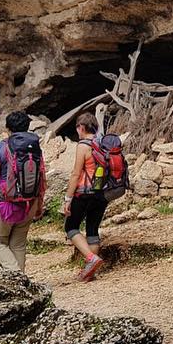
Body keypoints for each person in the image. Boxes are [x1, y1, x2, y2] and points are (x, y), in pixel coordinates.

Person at [0, 111, 43, 271]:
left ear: (8, 128)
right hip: (30, 202)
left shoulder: (1, 147)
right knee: (18, 243)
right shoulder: (35, 148)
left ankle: (15, 274)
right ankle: (20, 281)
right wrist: (39, 204)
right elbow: (42, 177)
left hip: (4, 203)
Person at [62, 112, 108, 282]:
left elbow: (76, 174)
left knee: (71, 227)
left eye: (77, 129)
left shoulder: (83, 145)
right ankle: (90, 273)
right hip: (102, 193)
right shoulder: (103, 142)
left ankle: (91, 258)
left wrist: (68, 199)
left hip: (84, 193)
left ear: (81, 128)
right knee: (92, 229)